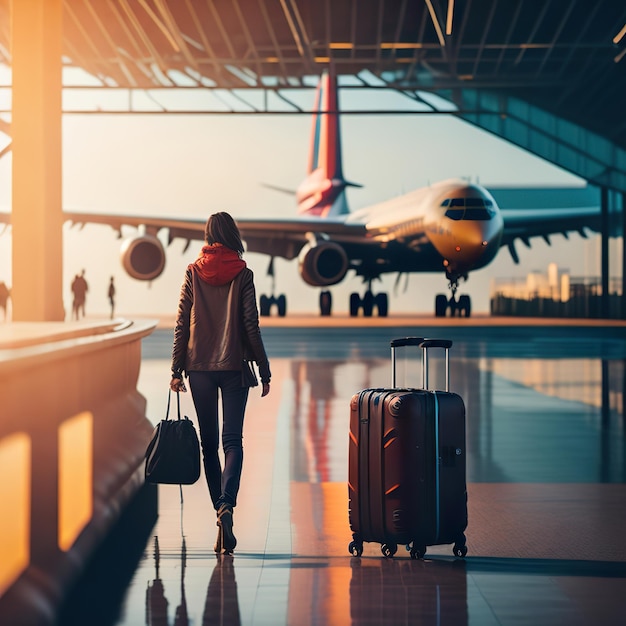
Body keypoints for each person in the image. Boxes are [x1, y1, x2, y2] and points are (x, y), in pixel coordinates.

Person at [170, 212, 271, 555]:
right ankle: (228, 503)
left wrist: (175, 369)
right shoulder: (243, 273)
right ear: (233, 235)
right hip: (233, 368)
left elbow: (182, 322)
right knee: (232, 441)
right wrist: (264, 367)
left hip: (197, 369)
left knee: (208, 444)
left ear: (208, 236)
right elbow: (250, 325)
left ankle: (219, 511)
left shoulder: (192, 271)